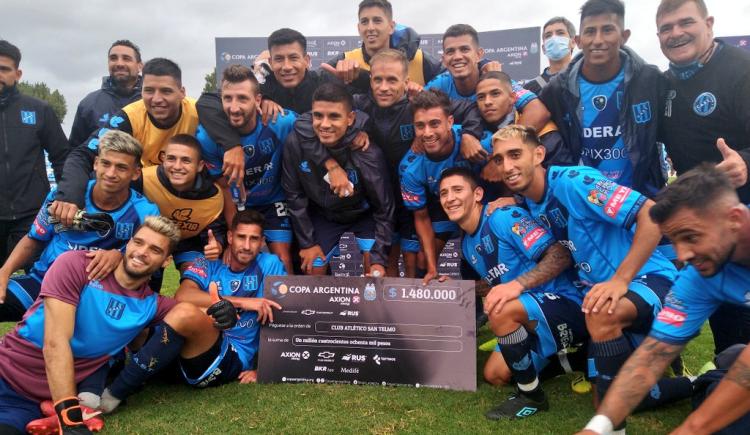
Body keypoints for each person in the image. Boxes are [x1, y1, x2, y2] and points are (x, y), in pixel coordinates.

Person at [491, 125, 693, 420]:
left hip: (649, 280)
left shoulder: (575, 182)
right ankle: (532, 395)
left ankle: (693, 380)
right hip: (596, 299)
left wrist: (620, 280)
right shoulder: (531, 202)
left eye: (514, 154)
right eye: (499, 159)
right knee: (617, 397)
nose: (507, 166)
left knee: (609, 395)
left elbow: (651, 214)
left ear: (538, 154)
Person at [578, 165, 750, 435]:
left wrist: (691, 429)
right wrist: (599, 428)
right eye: (675, 241)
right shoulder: (699, 276)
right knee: (720, 405)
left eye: (691, 237)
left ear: (735, 218)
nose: (681, 255)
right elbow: (652, 356)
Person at [0, 217, 202, 434]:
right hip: (5, 371)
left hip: (29, 404)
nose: (142, 252)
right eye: (138, 242)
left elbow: (194, 316)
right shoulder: (76, 265)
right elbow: (55, 343)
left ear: (165, 261)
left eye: (154, 249)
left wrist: (228, 308)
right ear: (128, 243)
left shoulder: (152, 306)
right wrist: (70, 419)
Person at [439, 167, 587, 420]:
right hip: (527, 311)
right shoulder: (466, 244)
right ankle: (577, 361)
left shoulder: (503, 217)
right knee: (494, 375)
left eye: (457, 190)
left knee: (500, 308)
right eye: (443, 193)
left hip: (568, 303)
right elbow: (499, 279)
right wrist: (461, 289)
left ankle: (532, 397)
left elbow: (560, 256)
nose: (449, 198)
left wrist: (515, 287)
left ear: (477, 194)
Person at [656, 0, 750, 357]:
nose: (676, 33)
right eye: (666, 28)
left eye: (685, 23)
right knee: (728, 336)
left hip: (743, 221)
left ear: (708, 23)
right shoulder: (665, 85)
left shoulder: (741, 69)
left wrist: (744, 162)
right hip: (706, 227)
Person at [0, 130, 159, 322]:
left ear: (135, 173)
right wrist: (4, 272)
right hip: (42, 283)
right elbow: (34, 238)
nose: (111, 173)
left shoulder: (145, 212)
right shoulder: (64, 197)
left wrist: (121, 257)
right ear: (95, 163)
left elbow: (152, 261)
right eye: (106, 163)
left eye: (121, 167)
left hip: (98, 295)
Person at [51, 57, 199, 226]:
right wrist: (70, 196)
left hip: (189, 200)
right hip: (145, 197)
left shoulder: (198, 111)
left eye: (166, 91)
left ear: (182, 92)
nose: (157, 99)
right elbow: (82, 154)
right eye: (149, 90)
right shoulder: (129, 116)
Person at [540, 0, 666, 197]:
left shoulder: (649, 79)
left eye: (607, 30)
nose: (598, 40)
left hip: (640, 202)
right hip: (586, 206)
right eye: (590, 32)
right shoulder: (557, 89)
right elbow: (529, 132)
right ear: (579, 40)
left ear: (624, 36)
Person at [281, 82, 394, 276]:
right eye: (318, 116)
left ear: (350, 118)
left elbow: (384, 208)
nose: (324, 124)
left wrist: (379, 258)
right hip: (324, 215)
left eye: (334, 116)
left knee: (375, 275)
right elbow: (294, 195)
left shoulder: (367, 152)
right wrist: (308, 243)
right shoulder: (295, 143)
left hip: (364, 215)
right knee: (313, 266)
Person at [196, 65, 296, 273]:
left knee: (282, 260)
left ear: (258, 100)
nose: (233, 107)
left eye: (242, 98)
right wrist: (234, 231)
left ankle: (286, 305)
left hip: (272, 201)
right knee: (237, 258)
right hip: (237, 205)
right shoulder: (206, 138)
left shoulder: (280, 121)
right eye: (228, 99)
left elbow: (318, 130)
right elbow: (223, 187)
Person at [174, 209, 285, 387]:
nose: (247, 246)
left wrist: (265, 368)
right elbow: (182, 295)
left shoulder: (269, 264)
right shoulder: (208, 261)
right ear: (230, 237)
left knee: (183, 315)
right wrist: (243, 302)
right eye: (241, 237)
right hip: (194, 342)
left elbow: (282, 317)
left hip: (232, 354)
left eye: (254, 239)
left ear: (262, 242)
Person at [399, 89, 492, 284]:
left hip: (483, 203)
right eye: (420, 126)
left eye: (434, 124)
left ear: (450, 122)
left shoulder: (478, 141)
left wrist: (496, 165)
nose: (427, 133)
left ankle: (478, 306)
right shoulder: (410, 168)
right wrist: (433, 267)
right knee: (423, 259)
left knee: (479, 255)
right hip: (445, 206)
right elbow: (421, 217)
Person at [0, 40, 69, 268]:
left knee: (39, 282)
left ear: (17, 73)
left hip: (32, 214)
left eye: (4, 69)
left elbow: (62, 157)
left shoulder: (39, 109)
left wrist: (65, 197)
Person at [424, 24, 551, 133]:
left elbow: (538, 110)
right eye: (450, 52)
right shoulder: (437, 84)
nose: (457, 56)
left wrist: (506, 143)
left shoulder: (493, 78)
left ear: (479, 55)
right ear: (444, 59)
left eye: (464, 49)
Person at [138, 134, 225, 271]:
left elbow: (215, 231)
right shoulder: (143, 180)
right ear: (163, 160)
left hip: (188, 243)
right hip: (148, 243)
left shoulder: (213, 196)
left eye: (186, 160)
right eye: (171, 159)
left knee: (196, 273)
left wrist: (217, 245)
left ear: (200, 165)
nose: (177, 166)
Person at [321, 0, 441, 93]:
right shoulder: (345, 61)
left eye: (377, 21)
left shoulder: (419, 59)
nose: (370, 28)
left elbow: (449, 92)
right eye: (364, 22)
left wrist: (424, 95)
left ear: (391, 26)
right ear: (358, 28)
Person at [476, 71, 572, 168]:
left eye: (495, 94)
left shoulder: (544, 134)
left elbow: (561, 178)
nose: (487, 102)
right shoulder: (474, 132)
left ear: (512, 98)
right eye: (481, 97)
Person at [68, 40, 143, 148]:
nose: (119, 63)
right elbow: (75, 150)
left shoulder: (153, 102)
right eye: (113, 58)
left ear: (139, 66)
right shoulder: (89, 104)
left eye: (126, 58)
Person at [524, 17, 577, 96]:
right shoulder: (530, 89)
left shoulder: (586, 78)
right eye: (548, 35)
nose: (554, 38)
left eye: (560, 33)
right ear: (544, 48)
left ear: (573, 42)